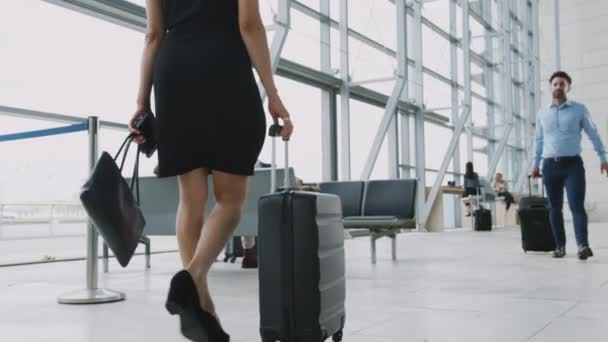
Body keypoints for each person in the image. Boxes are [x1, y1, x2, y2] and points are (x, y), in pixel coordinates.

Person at [129, 1, 294, 340]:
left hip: (173, 72)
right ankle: (192, 278)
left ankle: (204, 313)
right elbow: (249, 25)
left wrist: (142, 101)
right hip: (224, 67)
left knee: (190, 201)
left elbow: (153, 34)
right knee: (230, 201)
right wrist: (273, 94)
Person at [532, 71, 608, 260]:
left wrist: (603, 158)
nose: (558, 87)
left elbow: (594, 134)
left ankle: (583, 246)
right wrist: (536, 164)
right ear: (550, 87)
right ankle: (560, 246)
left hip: (573, 166)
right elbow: (539, 141)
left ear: (568, 87)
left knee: (577, 206)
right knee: (554, 208)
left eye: (562, 84)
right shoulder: (542, 114)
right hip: (550, 166)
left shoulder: (579, 109)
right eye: (555, 84)